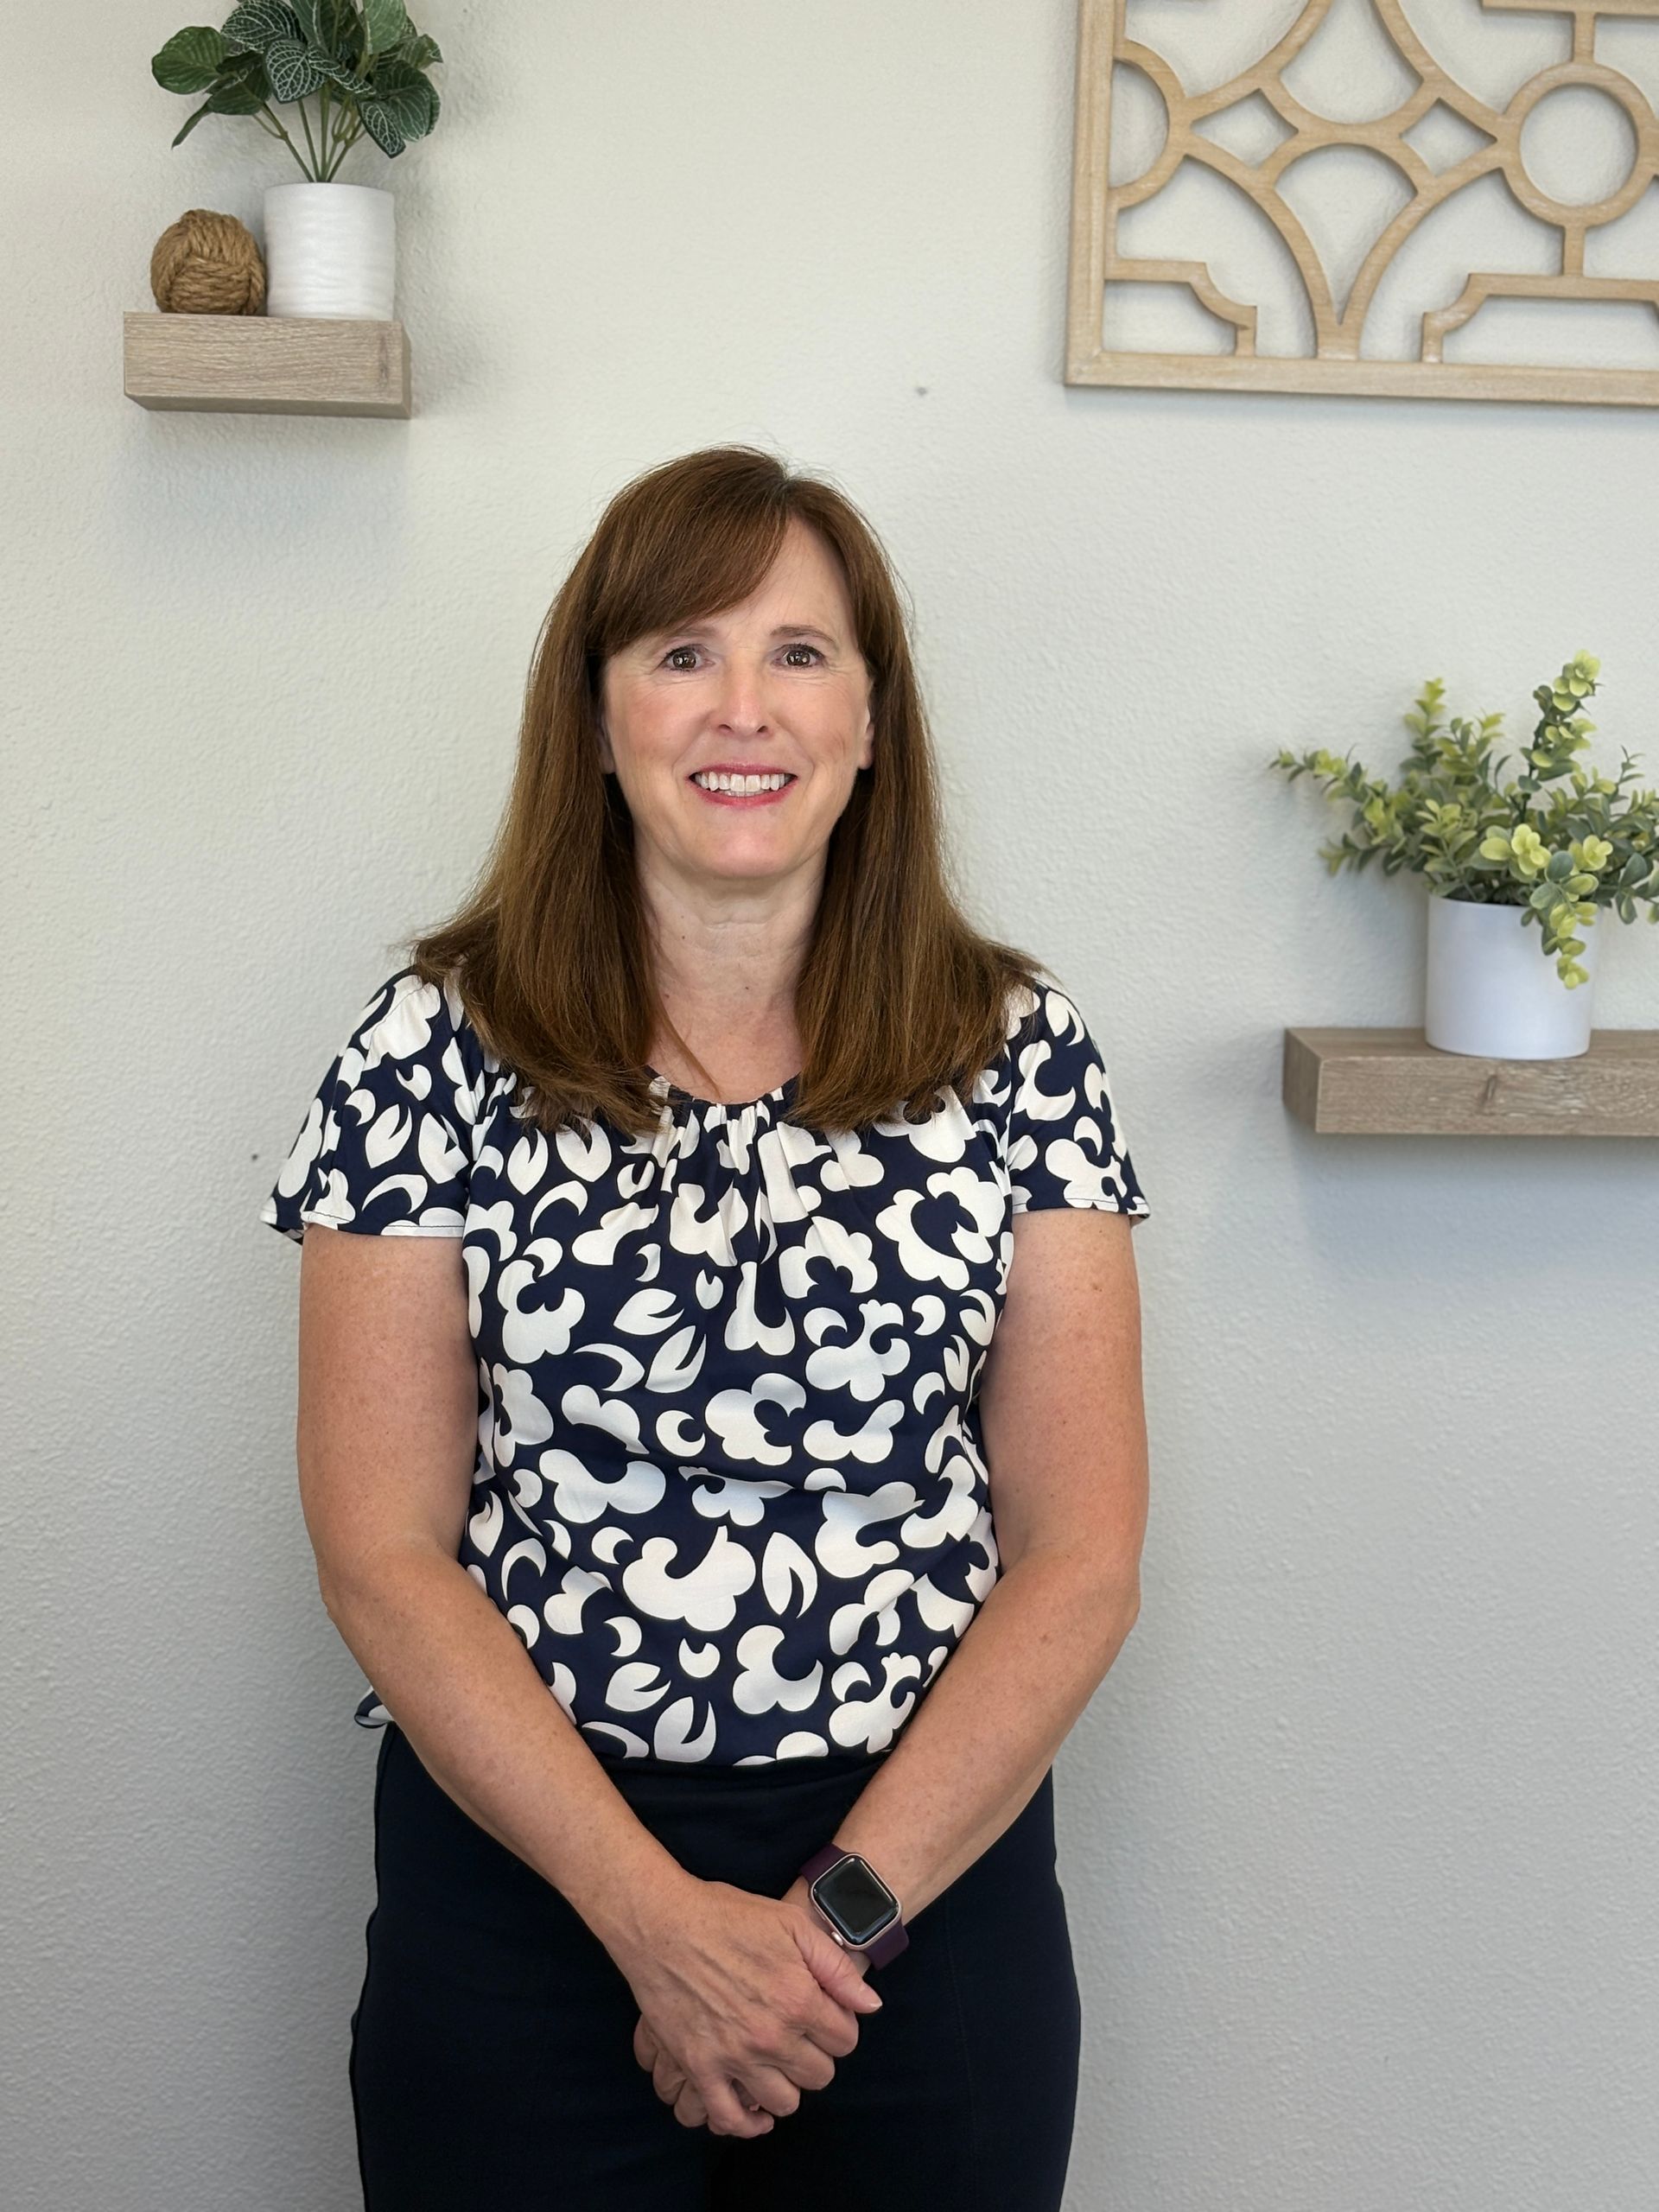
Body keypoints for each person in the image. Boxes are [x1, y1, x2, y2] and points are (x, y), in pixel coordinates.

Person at [260, 443, 1153, 2209]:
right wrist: (656, 1922)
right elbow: (381, 1548)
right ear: (593, 721)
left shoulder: (1021, 1046)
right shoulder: (429, 1050)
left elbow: (1084, 1548)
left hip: (924, 1888)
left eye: (800, 653)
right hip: (529, 1886)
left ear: (873, 720)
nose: (742, 706)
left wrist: (824, 1926)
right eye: (679, 652)